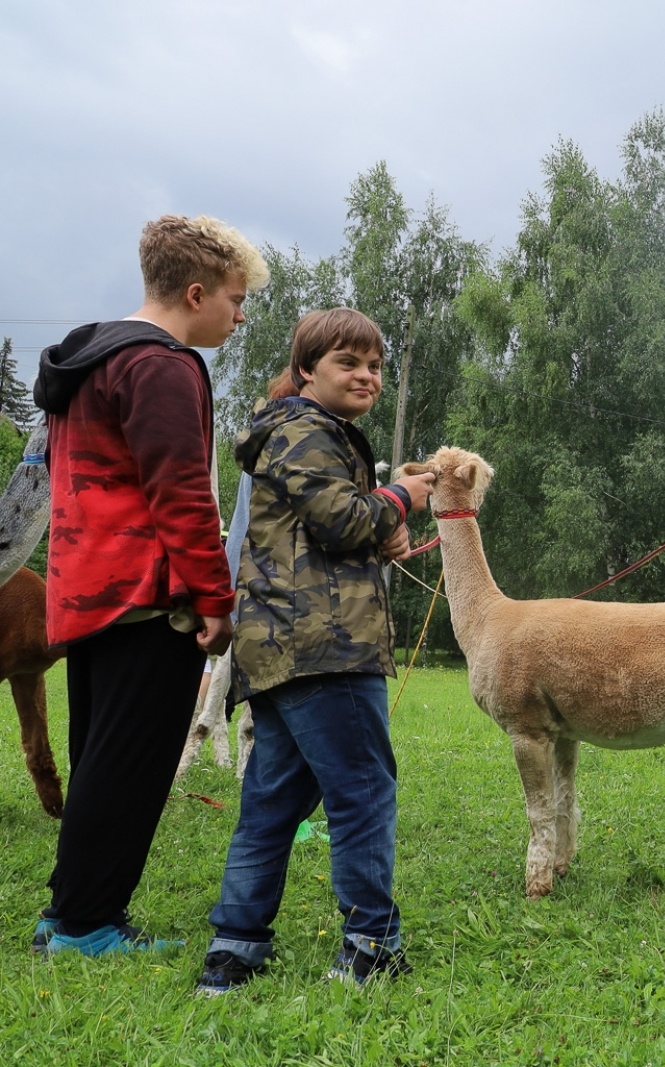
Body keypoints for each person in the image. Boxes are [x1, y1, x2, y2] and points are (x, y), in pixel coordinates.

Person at [31, 215, 267, 956]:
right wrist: (214, 599)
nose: (239, 315)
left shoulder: (90, 359)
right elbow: (182, 492)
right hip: (144, 596)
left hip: (81, 590)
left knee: (101, 754)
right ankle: (84, 924)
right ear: (195, 292)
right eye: (235, 299)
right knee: (130, 764)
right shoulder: (163, 365)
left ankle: (68, 910)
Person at [195, 308, 435, 994]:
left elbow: (331, 527)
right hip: (327, 647)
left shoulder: (299, 434)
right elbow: (343, 519)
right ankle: (370, 944)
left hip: (277, 647)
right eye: (348, 362)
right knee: (361, 794)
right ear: (305, 371)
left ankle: (235, 946)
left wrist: (377, 523)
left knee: (271, 801)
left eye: (375, 365)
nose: (367, 375)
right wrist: (401, 496)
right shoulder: (304, 431)